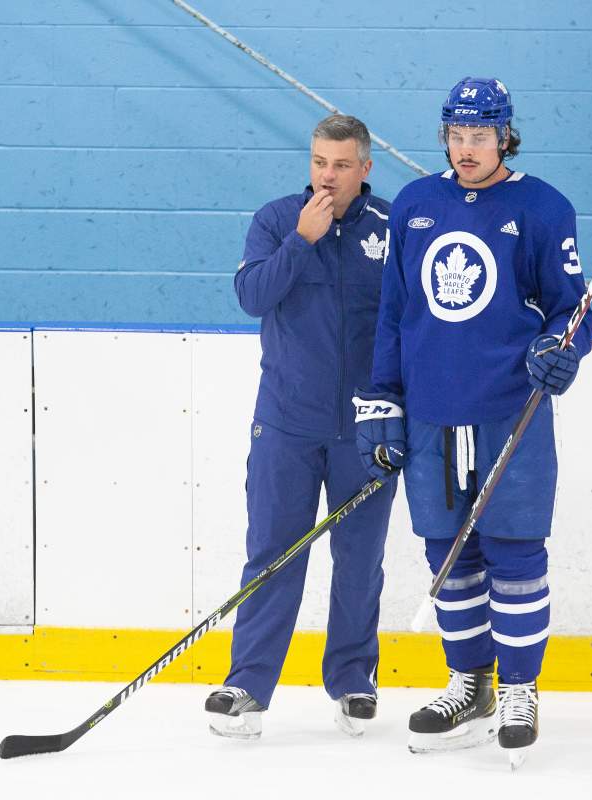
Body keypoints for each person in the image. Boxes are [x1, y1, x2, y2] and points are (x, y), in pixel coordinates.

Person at [354, 76, 592, 766]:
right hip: (430, 413)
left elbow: (571, 311)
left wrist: (560, 349)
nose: (466, 149)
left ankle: (520, 688)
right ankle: (470, 684)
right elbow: (396, 313)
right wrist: (382, 401)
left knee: (515, 551)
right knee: (447, 554)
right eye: (456, 136)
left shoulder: (544, 208)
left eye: (480, 137)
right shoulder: (415, 203)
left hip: (507, 410)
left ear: (505, 136)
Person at [205, 114, 398, 740]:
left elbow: (411, 327)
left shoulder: (393, 230)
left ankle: (353, 681)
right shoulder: (276, 218)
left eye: (341, 165)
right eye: (319, 162)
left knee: (359, 560)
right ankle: (248, 685)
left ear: (365, 168)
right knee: (272, 554)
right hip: (286, 425)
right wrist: (301, 241)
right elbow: (251, 296)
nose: (327, 176)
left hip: (368, 432)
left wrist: (400, 412)